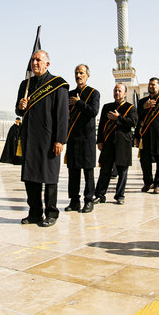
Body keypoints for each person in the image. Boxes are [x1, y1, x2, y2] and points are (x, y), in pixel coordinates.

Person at [16, 50, 68, 227]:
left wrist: (60, 140)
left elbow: (62, 115)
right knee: (31, 178)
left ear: (47, 64)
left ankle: (51, 213)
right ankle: (35, 213)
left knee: (50, 177)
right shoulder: (25, 85)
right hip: (29, 138)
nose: (35, 63)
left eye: (39, 60)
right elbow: (19, 110)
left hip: (49, 139)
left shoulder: (57, 84)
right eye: (33, 60)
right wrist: (21, 106)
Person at [94, 83, 137, 204]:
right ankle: (100, 194)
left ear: (125, 93)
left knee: (122, 172)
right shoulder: (107, 107)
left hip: (123, 144)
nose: (117, 93)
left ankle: (120, 195)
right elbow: (102, 124)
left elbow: (133, 122)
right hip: (108, 144)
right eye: (115, 90)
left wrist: (118, 118)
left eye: (119, 91)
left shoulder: (131, 108)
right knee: (105, 171)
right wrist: (100, 141)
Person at [65, 64, 100, 213]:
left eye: (81, 73)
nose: (78, 76)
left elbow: (93, 111)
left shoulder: (94, 93)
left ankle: (88, 200)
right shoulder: (69, 93)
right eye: (76, 73)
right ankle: (74, 201)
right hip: (73, 137)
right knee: (73, 171)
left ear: (88, 75)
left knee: (88, 172)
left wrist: (78, 103)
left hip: (87, 139)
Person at [135, 78, 159, 194]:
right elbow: (137, 119)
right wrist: (144, 108)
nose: (151, 86)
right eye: (150, 84)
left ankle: (158, 184)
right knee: (144, 161)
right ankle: (148, 182)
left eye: (153, 85)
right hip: (145, 135)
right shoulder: (142, 102)